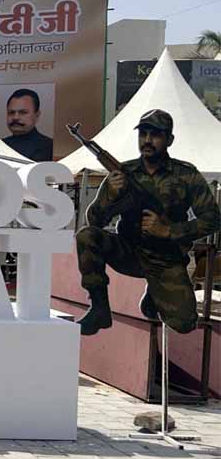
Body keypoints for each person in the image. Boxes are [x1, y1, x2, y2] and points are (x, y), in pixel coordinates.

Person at [76, 109, 220, 335]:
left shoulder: (186, 175)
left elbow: (212, 219)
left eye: (155, 135)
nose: (147, 140)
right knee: (86, 236)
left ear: (169, 140)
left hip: (166, 258)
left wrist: (168, 230)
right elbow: (94, 220)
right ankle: (99, 308)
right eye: (143, 134)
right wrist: (110, 197)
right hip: (129, 252)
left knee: (184, 323)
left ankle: (154, 295)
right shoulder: (123, 172)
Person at [2, 88, 53, 161]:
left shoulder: (50, 148)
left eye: (23, 112)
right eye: (11, 112)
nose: (15, 117)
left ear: (37, 115)